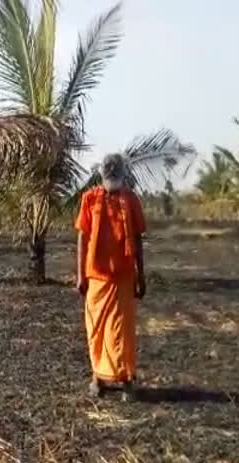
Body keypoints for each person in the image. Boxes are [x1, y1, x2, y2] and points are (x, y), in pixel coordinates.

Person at [75, 153, 147, 402]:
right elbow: (83, 237)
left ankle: (127, 379)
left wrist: (141, 275)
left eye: (116, 177)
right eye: (109, 177)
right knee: (96, 330)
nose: (113, 182)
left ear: (123, 176)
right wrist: (80, 274)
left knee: (122, 333)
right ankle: (98, 377)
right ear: (102, 176)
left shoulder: (132, 200)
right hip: (97, 278)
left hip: (124, 277)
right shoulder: (90, 199)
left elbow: (137, 239)